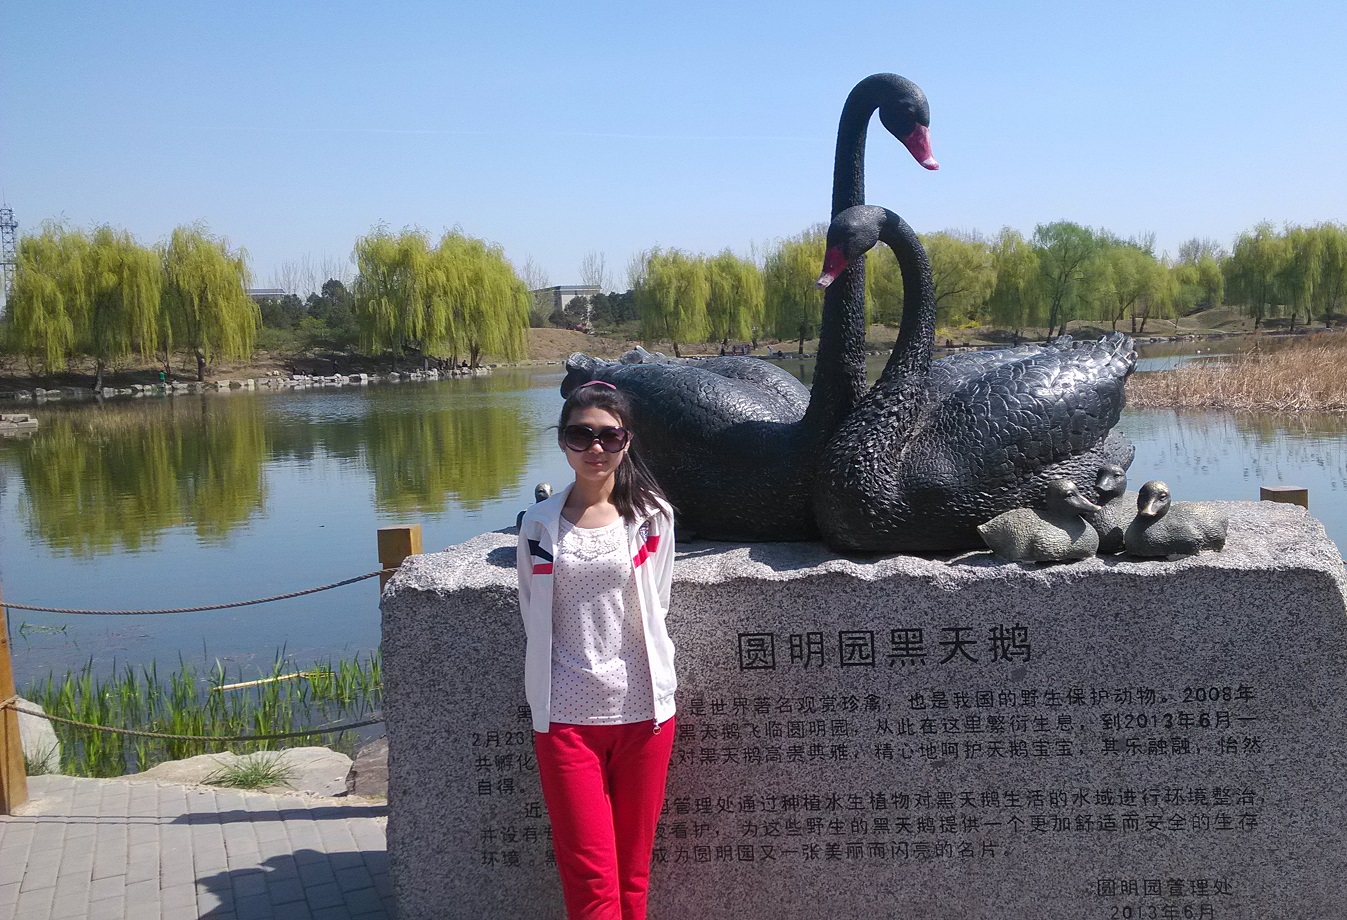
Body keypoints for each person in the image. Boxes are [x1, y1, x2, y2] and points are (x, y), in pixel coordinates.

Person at [516, 380, 677, 920]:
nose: (595, 447)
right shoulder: (538, 525)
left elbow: (657, 603)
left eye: (609, 435)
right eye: (581, 434)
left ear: (627, 441)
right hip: (566, 720)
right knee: (590, 877)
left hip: (644, 715)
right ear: (562, 440)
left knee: (633, 874)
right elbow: (532, 610)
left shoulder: (652, 517)